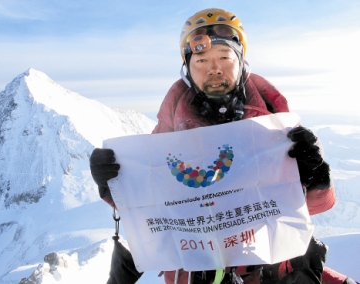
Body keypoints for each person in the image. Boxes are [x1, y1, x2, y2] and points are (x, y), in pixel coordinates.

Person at [90, 8, 358, 284]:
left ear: (241, 60)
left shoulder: (276, 124)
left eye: (224, 57)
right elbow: (153, 207)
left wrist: (316, 179)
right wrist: (113, 185)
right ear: (188, 67)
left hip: (277, 270)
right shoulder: (166, 135)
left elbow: (314, 205)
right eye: (202, 59)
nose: (213, 68)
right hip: (198, 272)